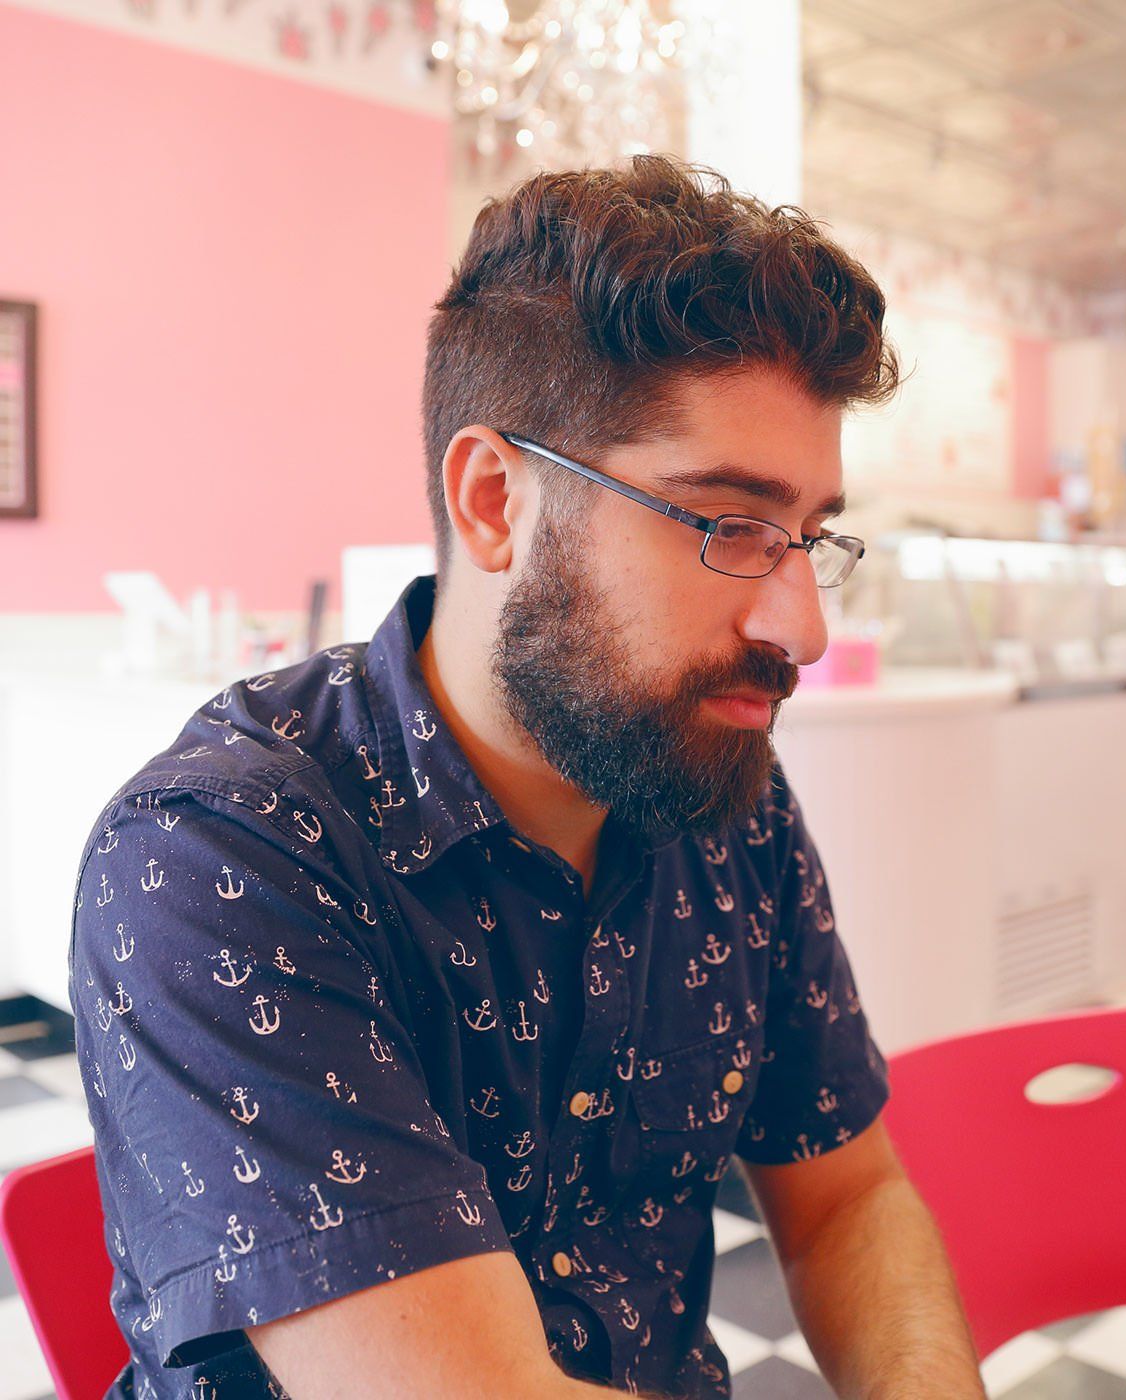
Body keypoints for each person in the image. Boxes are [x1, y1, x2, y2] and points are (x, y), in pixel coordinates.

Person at [70, 153, 985, 1398]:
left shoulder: (723, 795)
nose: (803, 624)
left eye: (810, 536)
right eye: (728, 525)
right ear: (495, 498)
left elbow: (847, 1197)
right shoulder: (225, 853)